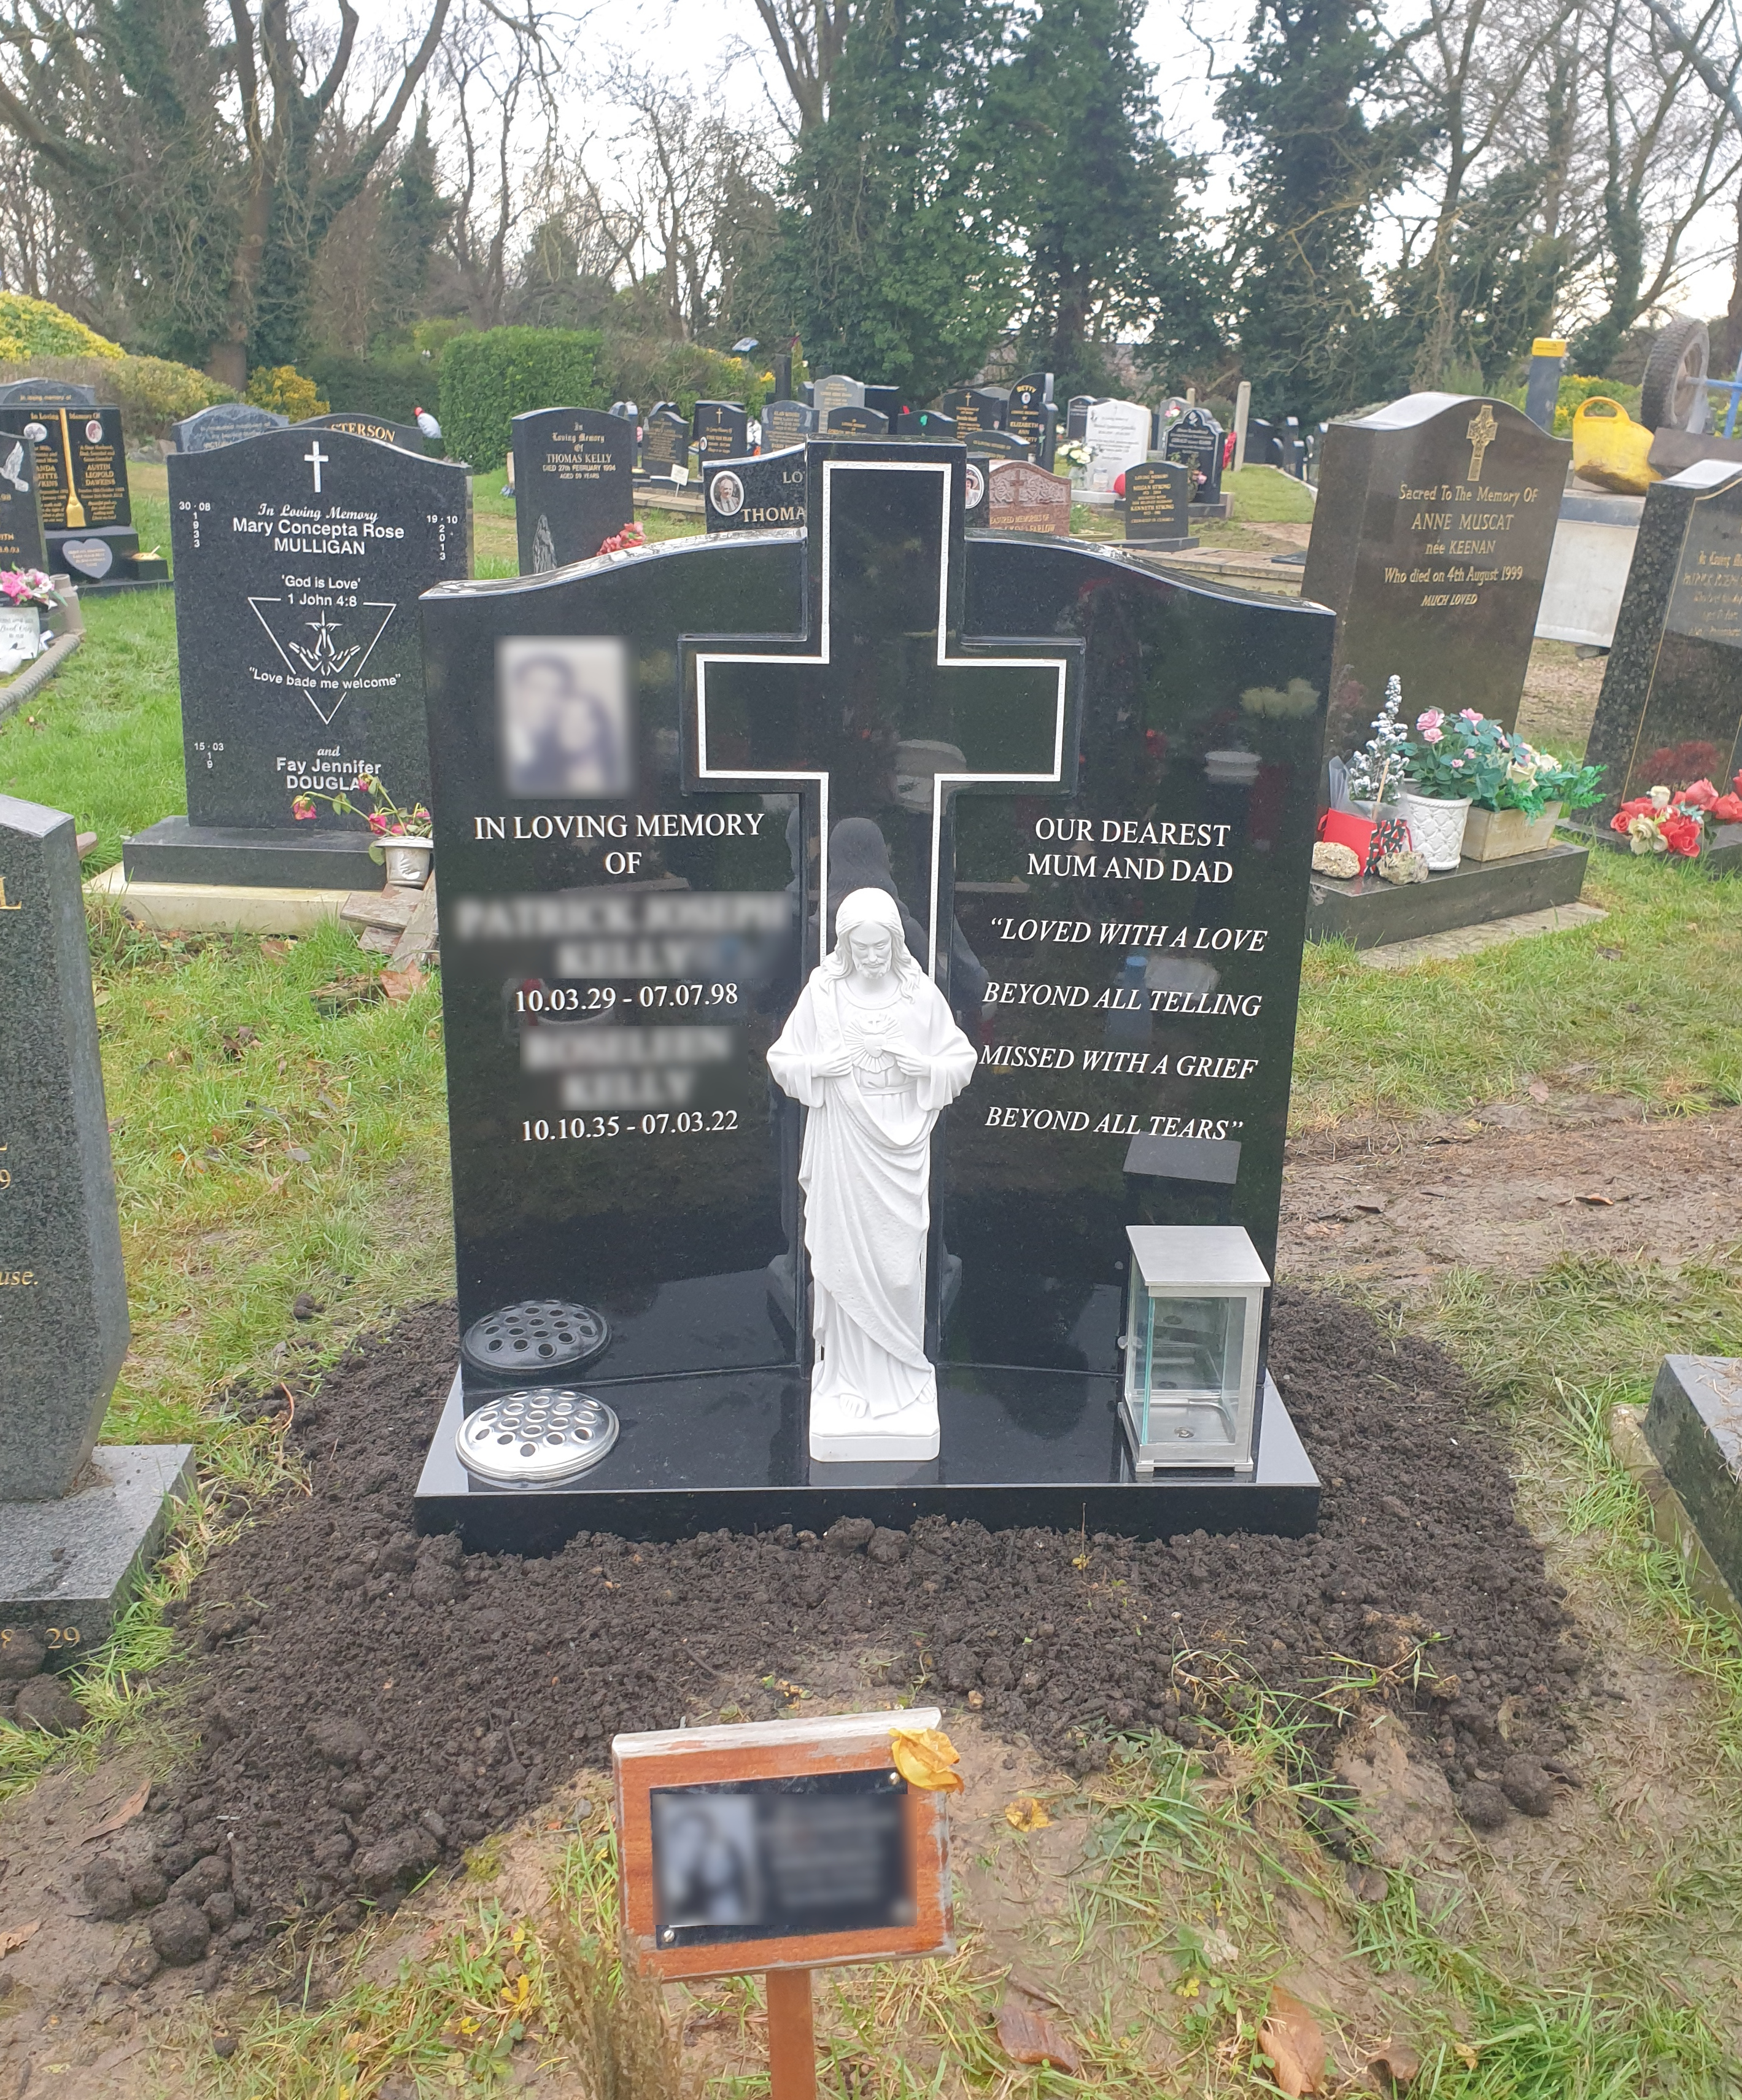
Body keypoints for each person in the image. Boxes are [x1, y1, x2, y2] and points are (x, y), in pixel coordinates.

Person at [767, 888, 977, 1460]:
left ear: (895, 941)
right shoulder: (824, 994)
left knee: (899, 1272)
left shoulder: (918, 996)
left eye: (880, 946)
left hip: (901, 1145)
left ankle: (901, 1375)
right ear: (844, 945)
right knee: (844, 1264)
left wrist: (924, 1067)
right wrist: (818, 1067)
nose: (871, 957)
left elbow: (960, 1059)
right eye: (860, 947)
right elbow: (782, 1059)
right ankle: (853, 1382)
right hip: (842, 1141)